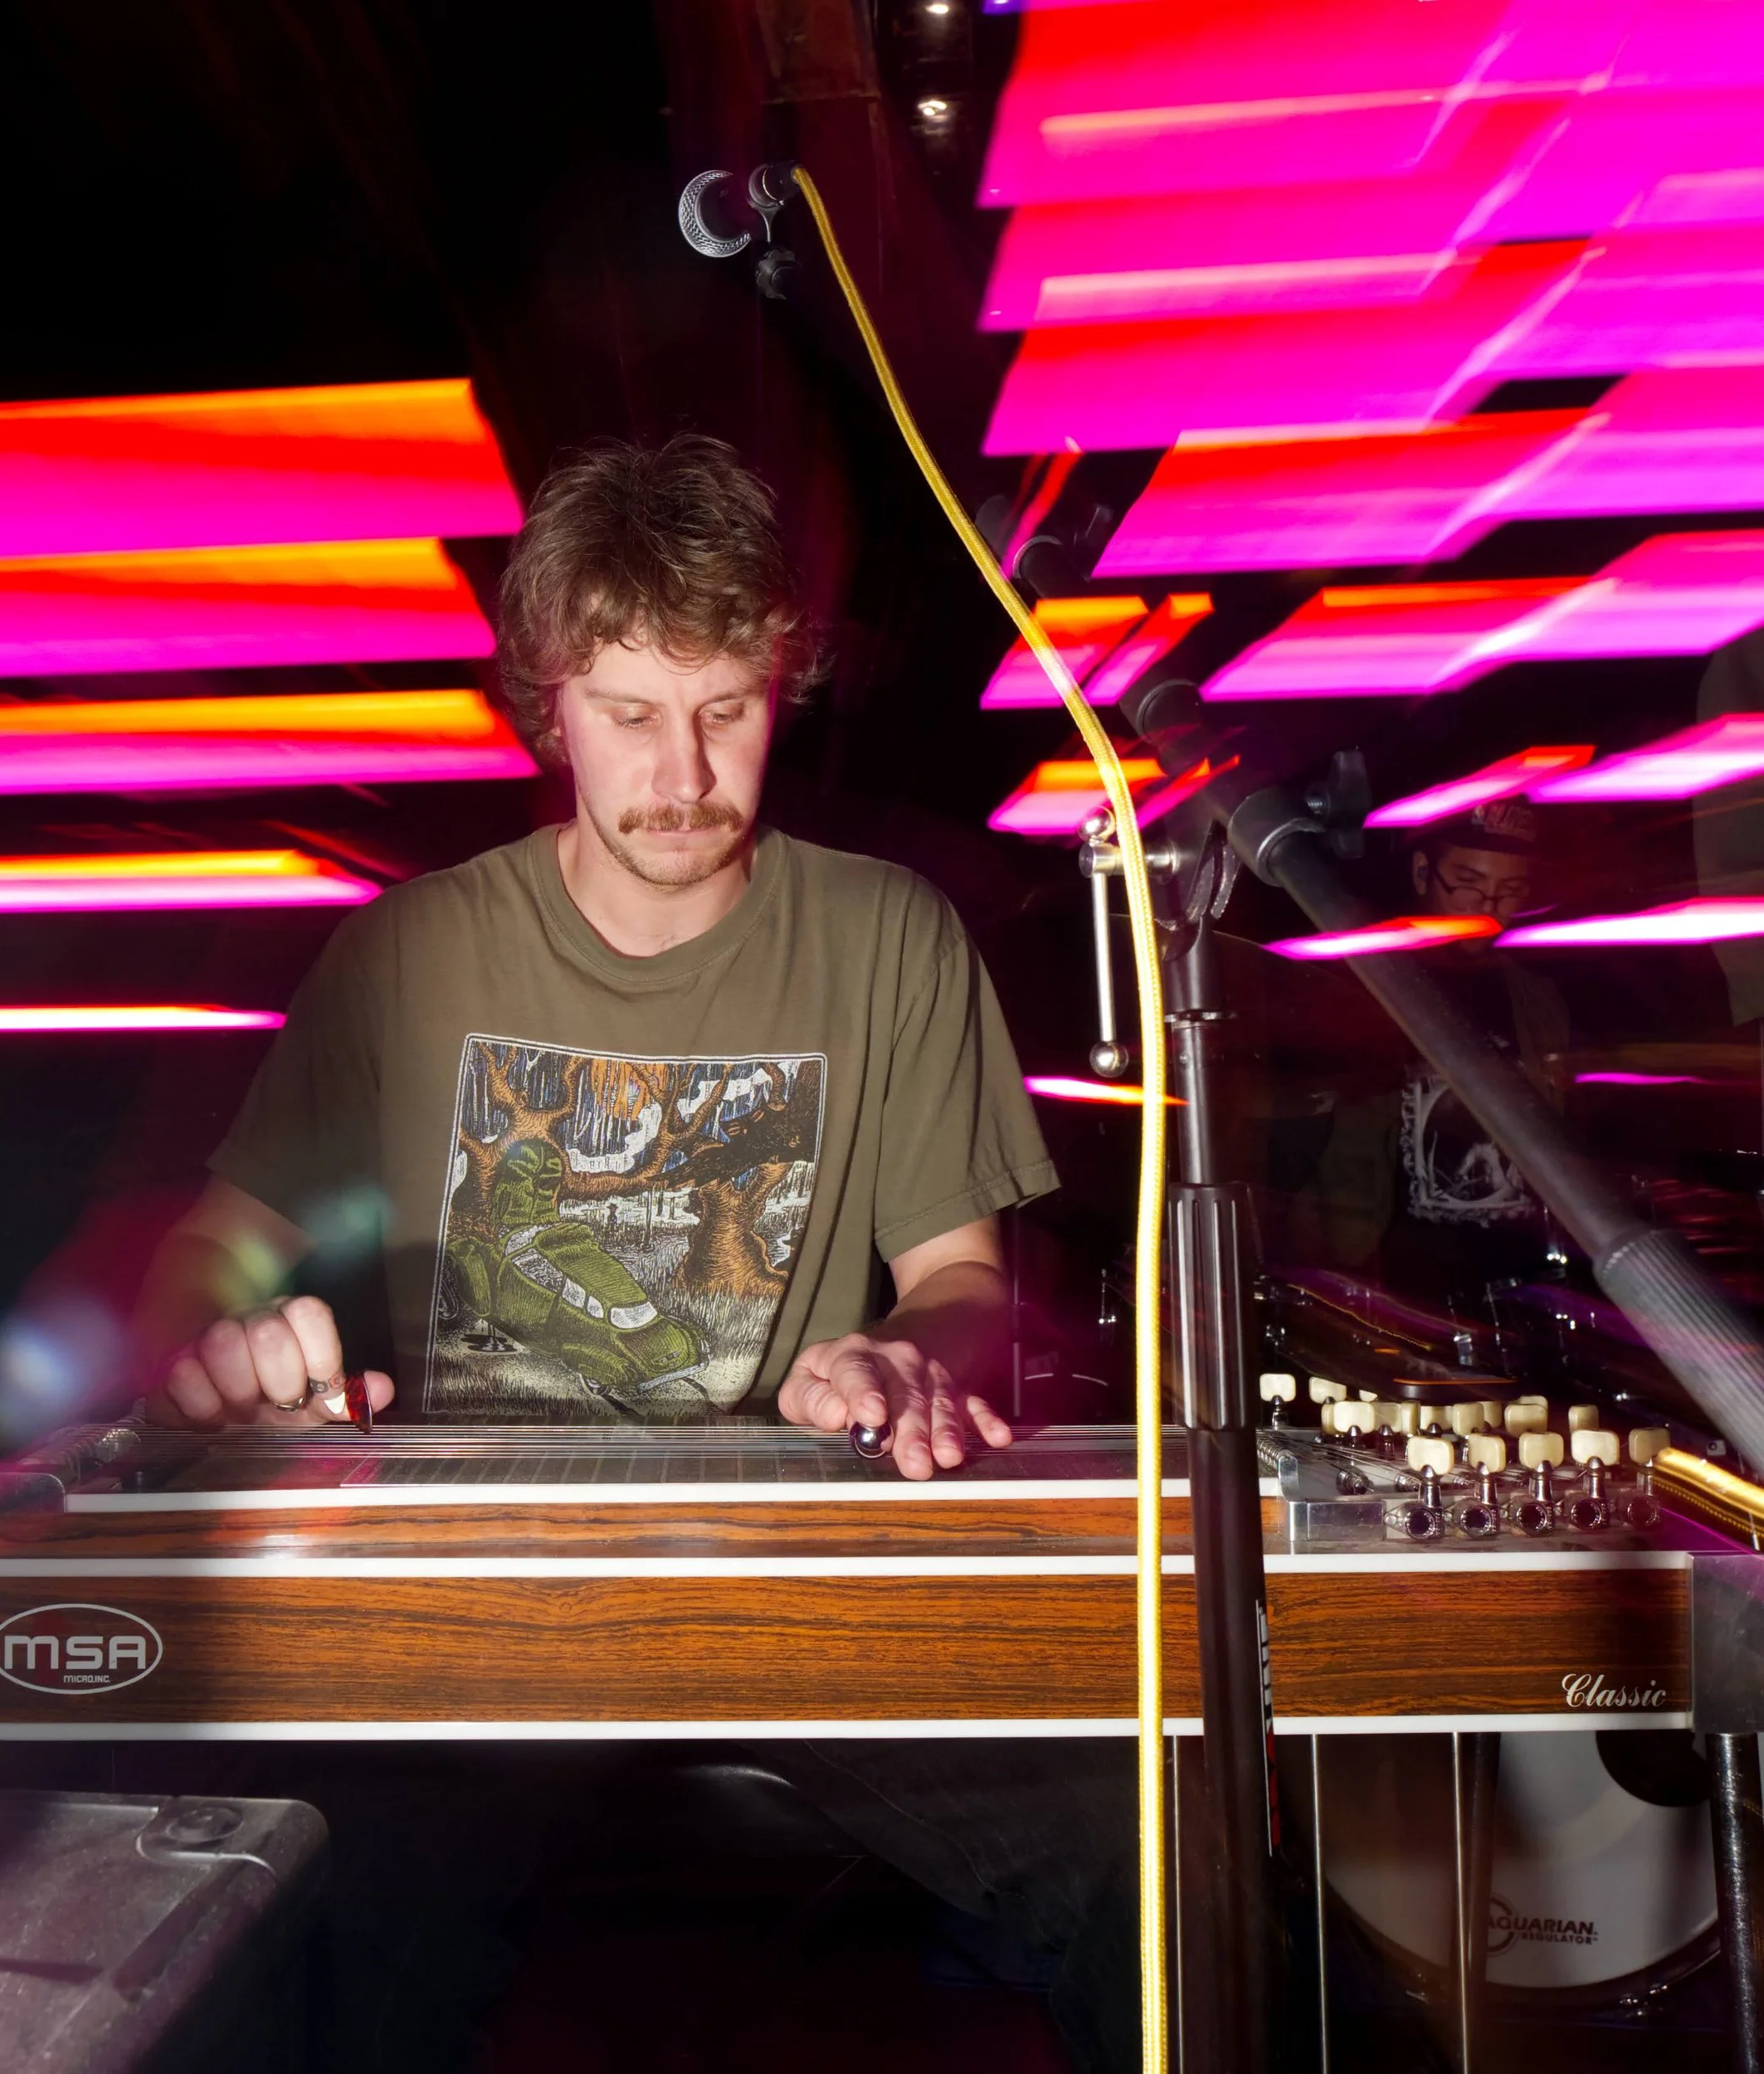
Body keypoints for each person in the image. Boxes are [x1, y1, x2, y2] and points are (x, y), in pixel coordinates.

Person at [128, 436, 1138, 2069]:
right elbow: (211, 1249)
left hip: (799, 1585)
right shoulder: (406, 952)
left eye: (725, 708)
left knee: (1148, 1856)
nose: (685, 771)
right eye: (629, 712)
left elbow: (960, 1281)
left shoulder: (890, 935)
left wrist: (900, 1356)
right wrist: (222, 1356)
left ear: (783, 686)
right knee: (300, 1932)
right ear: (549, 703)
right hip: (469, 1597)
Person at [1289, 796, 1571, 1308]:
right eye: (1468, 882)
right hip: (1395, 1294)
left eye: (1510, 890)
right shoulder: (1361, 983)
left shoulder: (1539, 1001)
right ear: (1422, 872)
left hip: (1520, 1290)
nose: (1488, 905)